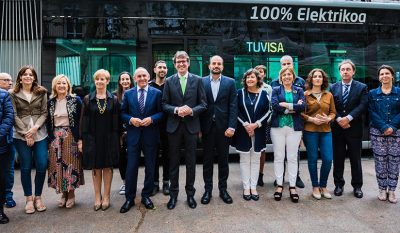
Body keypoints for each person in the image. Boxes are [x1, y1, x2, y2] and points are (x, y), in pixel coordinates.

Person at [162, 51, 207, 209]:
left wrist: (191, 111)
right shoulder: (168, 81)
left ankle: (190, 195)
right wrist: (176, 110)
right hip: (174, 127)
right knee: (173, 162)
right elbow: (164, 104)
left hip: (191, 127)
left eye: (184, 61)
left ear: (188, 63)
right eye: (178, 62)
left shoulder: (198, 80)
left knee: (191, 162)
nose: (181, 64)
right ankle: (173, 196)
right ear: (174, 64)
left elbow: (203, 104)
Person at [120, 67, 163, 213]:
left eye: (144, 76)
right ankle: (129, 198)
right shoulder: (128, 93)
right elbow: (123, 113)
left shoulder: (157, 93)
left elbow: (162, 113)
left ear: (149, 76)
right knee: (131, 167)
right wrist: (131, 119)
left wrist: (152, 119)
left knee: (150, 167)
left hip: (151, 135)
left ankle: (146, 196)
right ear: (134, 78)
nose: (142, 78)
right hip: (133, 136)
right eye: (139, 76)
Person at [10, 65, 48, 214]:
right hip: (20, 134)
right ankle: (29, 199)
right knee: (25, 166)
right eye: (25, 74)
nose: (27, 77)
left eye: (30, 75)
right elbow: (14, 115)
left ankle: (38, 197)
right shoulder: (12, 93)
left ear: (34, 78)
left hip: (39, 133)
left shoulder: (42, 92)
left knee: (41, 164)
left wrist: (34, 129)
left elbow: (44, 112)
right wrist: (26, 133)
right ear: (20, 77)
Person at [80, 69, 120, 211]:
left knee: (108, 167)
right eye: (97, 79)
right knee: (96, 168)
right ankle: (97, 196)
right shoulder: (87, 99)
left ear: (108, 81)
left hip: (109, 138)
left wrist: (118, 139)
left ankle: (107, 196)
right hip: (92, 139)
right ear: (94, 81)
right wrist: (81, 140)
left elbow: (117, 122)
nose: (99, 81)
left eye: (102, 79)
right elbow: (83, 121)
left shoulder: (114, 99)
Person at [200, 55, 237, 205]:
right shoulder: (201, 82)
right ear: (209, 66)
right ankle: (207, 190)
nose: (216, 66)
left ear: (222, 66)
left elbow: (233, 106)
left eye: (219, 64)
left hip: (224, 129)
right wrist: (198, 128)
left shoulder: (230, 82)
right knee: (207, 161)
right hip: (206, 128)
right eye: (213, 63)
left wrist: (232, 126)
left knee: (224, 161)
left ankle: (223, 190)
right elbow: (198, 104)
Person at [330, 59, 368, 198]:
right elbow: (331, 106)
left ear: (353, 71)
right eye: (342, 69)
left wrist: (349, 118)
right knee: (338, 158)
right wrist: (339, 119)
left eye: (348, 69)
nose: (345, 72)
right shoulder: (332, 87)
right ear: (339, 72)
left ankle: (357, 186)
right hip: (338, 129)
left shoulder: (362, 87)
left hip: (354, 128)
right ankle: (339, 185)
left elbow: (363, 105)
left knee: (355, 159)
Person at [232, 68, 271, 201]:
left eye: (252, 77)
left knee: (255, 160)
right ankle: (246, 187)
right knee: (244, 160)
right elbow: (235, 111)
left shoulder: (264, 93)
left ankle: (253, 187)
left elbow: (269, 111)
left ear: (258, 79)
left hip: (258, 131)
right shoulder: (239, 93)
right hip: (243, 131)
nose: (250, 79)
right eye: (248, 77)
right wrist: (246, 124)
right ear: (245, 80)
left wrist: (256, 124)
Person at [47, 74, 84, 208]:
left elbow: (81, 121)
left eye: (64, 83)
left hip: (70, 136)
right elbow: (47, 121)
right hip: (55, 137)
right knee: (58, 166)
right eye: (59, 83)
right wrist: (50, 137)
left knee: (70, 165)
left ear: (68, 85)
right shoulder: (50, 102)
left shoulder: (75, 100)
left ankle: (71, 193)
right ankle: (63, 193)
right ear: (54, 86)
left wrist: (80, 139)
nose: (61, 86)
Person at [270, 67, 305, 203]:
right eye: (284, 75)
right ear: (281, 77)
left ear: (293, 77)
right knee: (279, 157)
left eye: (289, 74)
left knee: (292, 157)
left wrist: (286, 105)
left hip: (294, 128)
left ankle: (292, 186)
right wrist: (292, 107)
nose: (287, 77)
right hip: (278, 127)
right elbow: (274, 106)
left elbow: (302, 107)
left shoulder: (299, 90)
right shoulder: (275, 90)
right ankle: (279, 185)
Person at [301, 69, 336, 200]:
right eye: (315, 76)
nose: (317, 78)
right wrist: (311, 119)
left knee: (327, 159)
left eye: (320, 76)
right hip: (310, 131)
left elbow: (333, 112)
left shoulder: (329, 95)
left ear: (323, 79)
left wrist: (329, 118)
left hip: (326, 131)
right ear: (311, 79)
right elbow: (301, 113)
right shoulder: (304, 94)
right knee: (313, 159)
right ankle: (315, 186)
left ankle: (323, 185)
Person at [368, 65, 400, 203]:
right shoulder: (372, 94)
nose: (384, 76)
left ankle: (392, 191)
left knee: (394, 162)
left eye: (387, 73)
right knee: (380, 162)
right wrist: (383, 127)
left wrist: (392, 126)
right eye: (382, 74)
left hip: (396, 132)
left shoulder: (399, 92)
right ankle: (382, 189)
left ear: (392, 76)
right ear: (379, 77)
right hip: (377, 133)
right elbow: (371, 112)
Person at [149, 60, 170, 196]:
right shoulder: (149, 85)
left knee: (168, 156)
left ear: (167, 70)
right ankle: (155, 183)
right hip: (152, 126)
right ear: (154, 69)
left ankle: (166, 182)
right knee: (153, 156)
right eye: (159, 67)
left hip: (168, 126)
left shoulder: (171, 84)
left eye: (164, 67)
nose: (162, 69)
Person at [113, 71, 134, 196]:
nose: (125, 81)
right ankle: (125, 183)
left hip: (134, 130)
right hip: (120, 133)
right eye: (123, 79)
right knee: (122, 159)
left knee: (133, 159)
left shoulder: (136, 93)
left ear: (131, 80)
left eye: (127, 79)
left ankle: (132, 183)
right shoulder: (115, 97)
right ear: (120, 82)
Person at [254, 65, 272, 187]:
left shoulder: (268, 88)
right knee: (250, 150)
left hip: (263, 123)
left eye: (261, 72)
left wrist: (264, 121)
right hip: (250, 123)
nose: (259, 74)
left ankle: (260, 175)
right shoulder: (249, 85)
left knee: (262, 150)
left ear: (264, 74)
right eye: (257, 72)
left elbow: (270, 107)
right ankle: (252, 175)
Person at [0, 73, 16, 208]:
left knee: (8, 170)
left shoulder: (9, 95)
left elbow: (9, 117)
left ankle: (8, 196)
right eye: (6, 80)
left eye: (11, 80)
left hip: (7, 140)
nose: (10, 83)